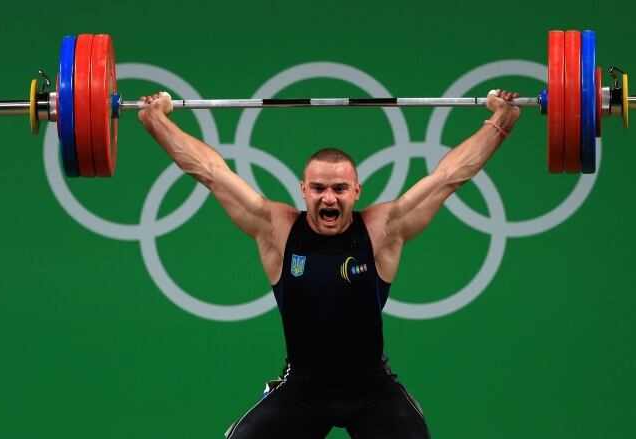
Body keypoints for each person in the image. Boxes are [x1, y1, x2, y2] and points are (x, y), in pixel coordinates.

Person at [138, 89, 521, 439]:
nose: (329, 199)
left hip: (371, 389)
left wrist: (500, 120)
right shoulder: (277, 229)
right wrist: (157, 120)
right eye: (318, 188)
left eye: (339, 188)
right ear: (303, 190)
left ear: (356, 191)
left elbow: (448, 177)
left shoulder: (381, 230)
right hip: (303, 389)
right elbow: (211, 173)